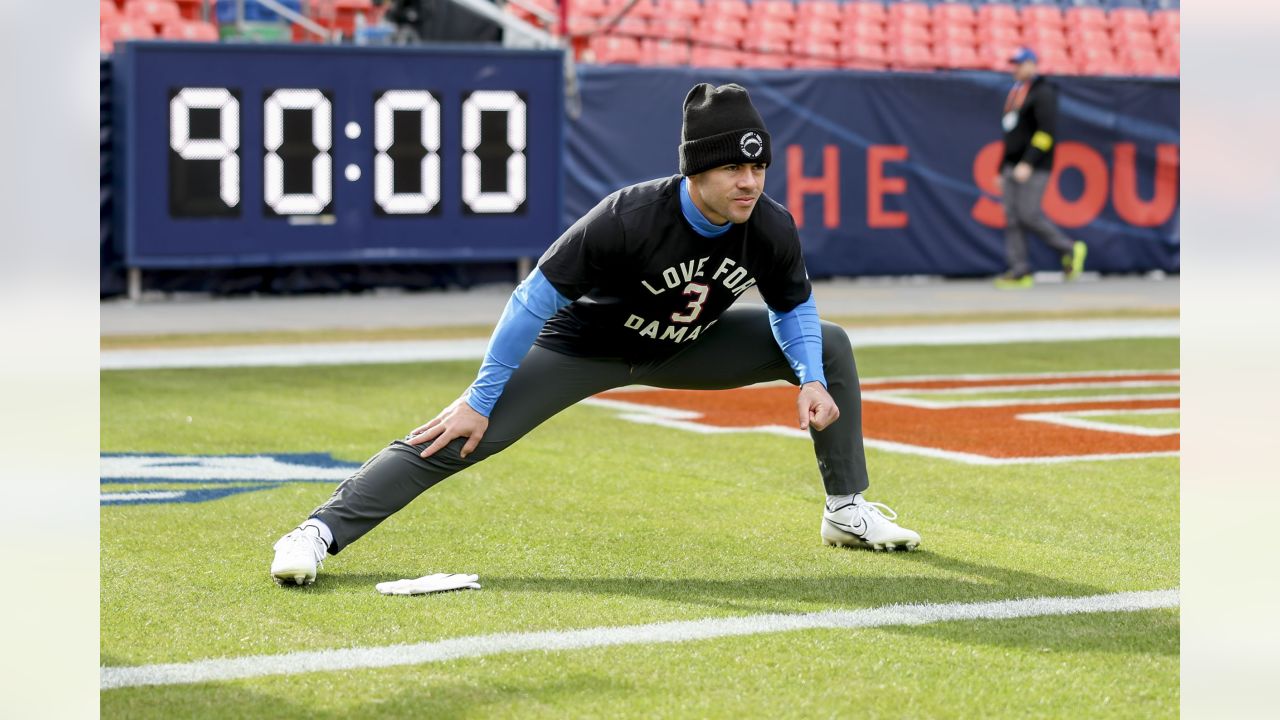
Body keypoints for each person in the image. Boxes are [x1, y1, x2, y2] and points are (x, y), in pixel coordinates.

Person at [270, 83, 922, 587]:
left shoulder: (769, 224)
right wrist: (481, 395)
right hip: (585, 348)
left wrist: (808, 375)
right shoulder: (629, 216)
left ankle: (845, 510)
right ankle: (318, 532)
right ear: (696, 170)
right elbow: (531, 300)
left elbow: (794, 308)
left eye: (757, 168)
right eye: (730, 168)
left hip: (685, 345)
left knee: (829, 345)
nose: (748, 181)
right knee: (457, 434)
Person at [995, 46, 1087, 289]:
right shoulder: (1015, 92)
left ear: (1032, 64)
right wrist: (1001, 168)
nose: (1014, 68)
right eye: (1013, 63)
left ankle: (1069, 248)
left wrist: (1028, 162)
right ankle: (1019, 270)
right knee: (1012, 218)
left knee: (1028, 214)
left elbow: (1046, 133)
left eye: (1019, 63)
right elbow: (1010, 134)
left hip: (1034, 166)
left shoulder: (1043, 92)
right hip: (1011, 166)